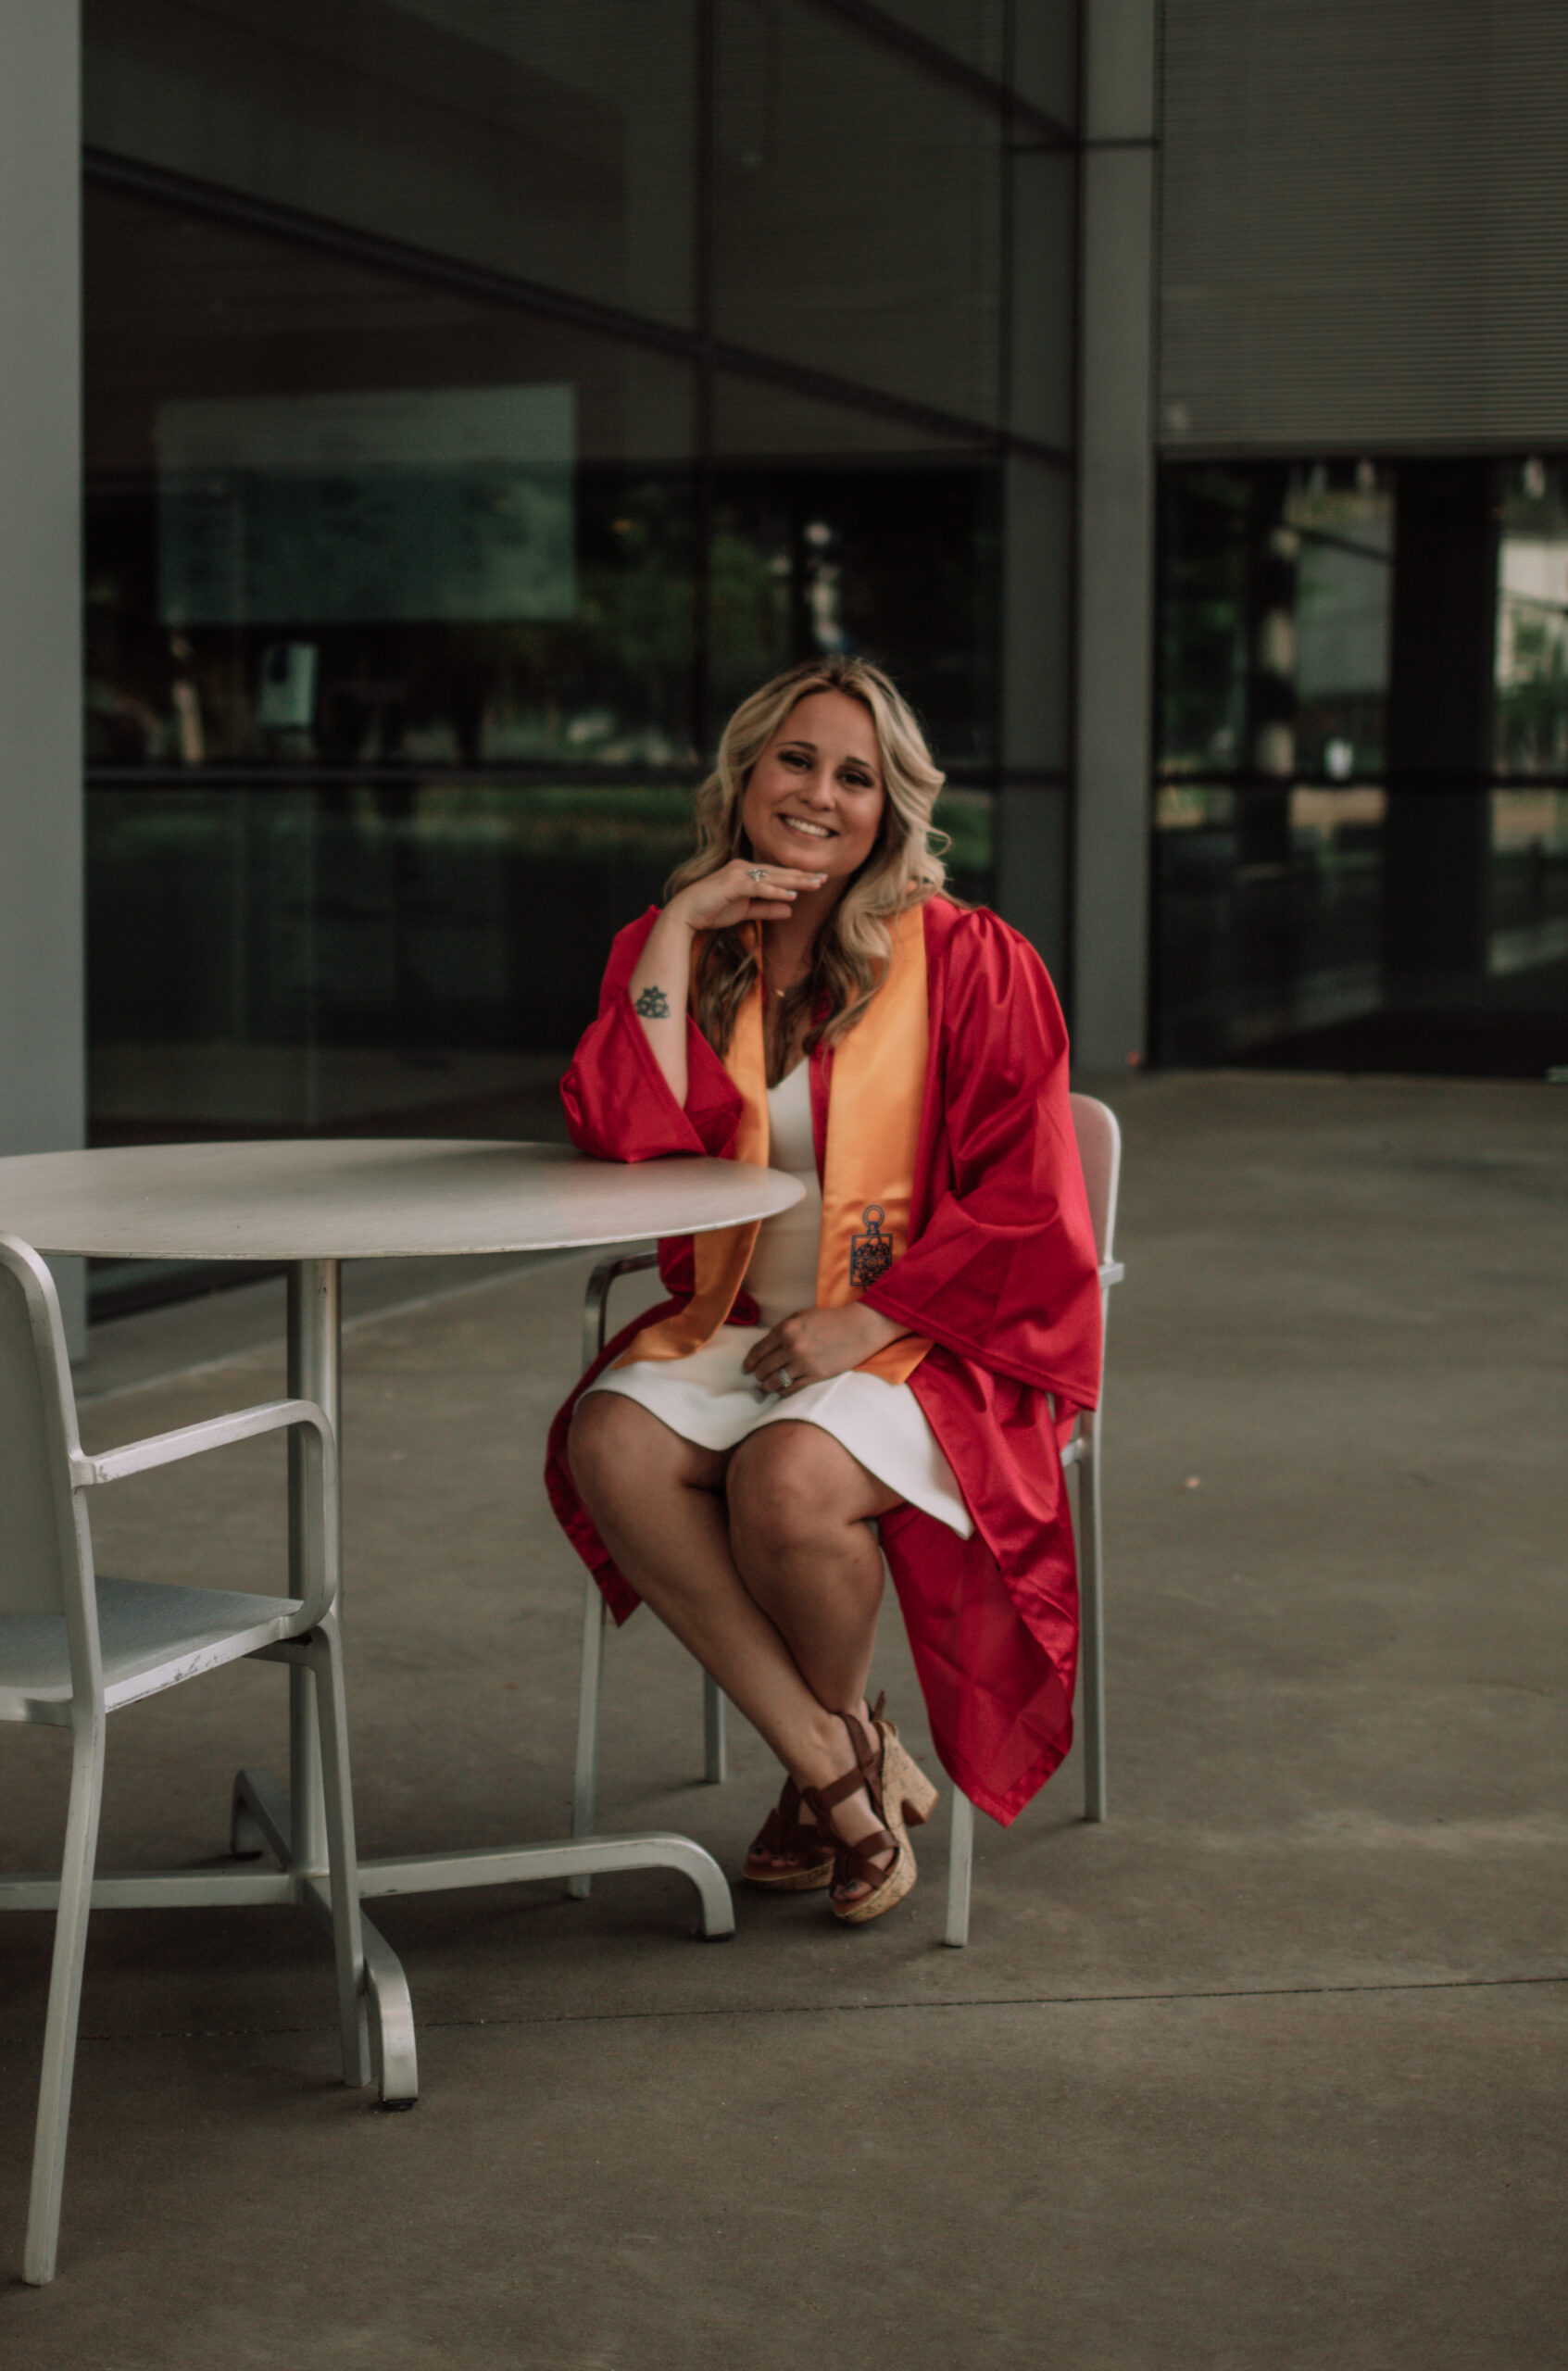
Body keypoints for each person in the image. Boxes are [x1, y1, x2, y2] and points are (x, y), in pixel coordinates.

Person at [546, 656, 1102, 1925]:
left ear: (889, 808)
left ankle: (823, 1785)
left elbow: (1030, 1199)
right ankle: (838, 1760)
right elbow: (618, 1130)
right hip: (739, 1321)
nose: (818, 793)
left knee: (784, 1482)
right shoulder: (683, 947)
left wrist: (874, 1317)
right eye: (795, 760)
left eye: (855, 776)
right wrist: (679, 927)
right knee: (610, 1441)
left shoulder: (971, 961)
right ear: (746, 772)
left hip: (932, 1333)